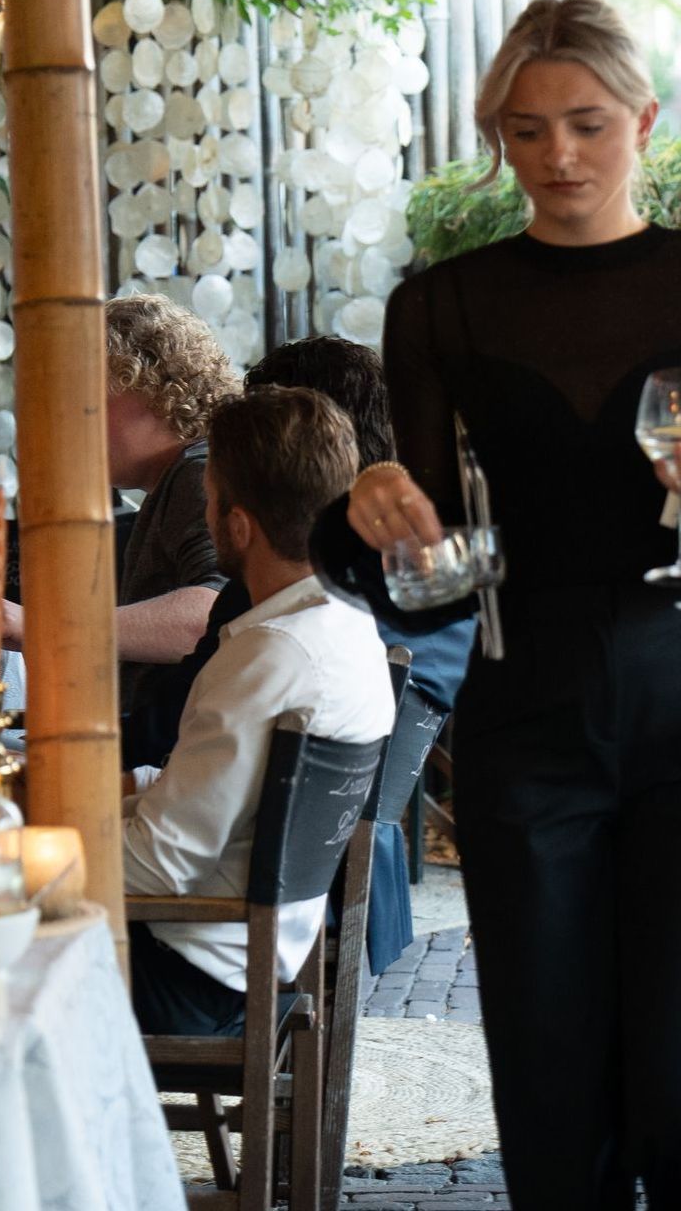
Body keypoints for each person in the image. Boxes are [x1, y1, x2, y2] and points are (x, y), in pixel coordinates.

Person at [318, 0, 681, 1209]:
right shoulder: (443, 305)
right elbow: (431, 578)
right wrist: (362, 507)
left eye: (586, 123)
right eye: (525, 131)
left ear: (644, 119)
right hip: (521, 712)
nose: (559, 156)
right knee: (549, 1099)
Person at [140, 335, 476, 974]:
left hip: (250, 909)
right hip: (348, 884)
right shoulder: (423, 587)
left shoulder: (285, 600)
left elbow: (166, 733)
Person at [123, 386, 394, 1035]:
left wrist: (25, 849)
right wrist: (124, 794)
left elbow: (157, 867)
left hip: (188, 976)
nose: (206, 512)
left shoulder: (270, 654)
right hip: (252, 962)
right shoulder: (349, 624)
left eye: (209, 498)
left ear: (240, 525)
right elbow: (236, 806)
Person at [0, 294, 239, 765]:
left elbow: (211, 616)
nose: (75, 422)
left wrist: (52, 628)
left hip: (167, 772)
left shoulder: (198, 472)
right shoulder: (182, 476)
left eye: (90, 400)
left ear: (153, 388)